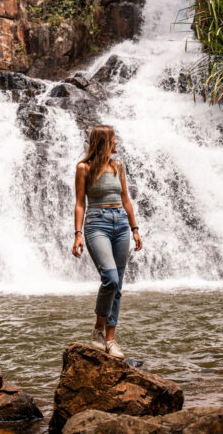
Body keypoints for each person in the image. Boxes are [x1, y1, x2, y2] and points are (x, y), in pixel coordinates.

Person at [71, 124, 143, 358]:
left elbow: (126, 199)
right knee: (110, 278)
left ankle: (110, 340)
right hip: (96, 223)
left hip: (121, 223)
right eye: (113, 139)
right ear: (103, 142)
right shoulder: (84, 168)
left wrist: (135, 228)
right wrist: (78, 233)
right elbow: (80, 202)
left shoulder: (118, 166)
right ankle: (98, 329)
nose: (117, 143)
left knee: (118, 285)